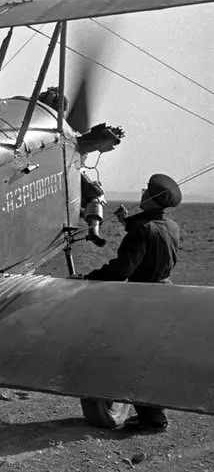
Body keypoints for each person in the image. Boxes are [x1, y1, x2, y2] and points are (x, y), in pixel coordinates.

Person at [86, 173, 182, 432]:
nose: (142, 194)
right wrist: (125, 221)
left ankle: (153, 418)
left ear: (151, 199)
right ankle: (153, 414)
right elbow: (150, 233)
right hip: (166, 294)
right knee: (149, 357)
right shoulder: (171, 226)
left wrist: (88, 279)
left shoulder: (142, 230)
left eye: (146, 192)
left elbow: (122, 270)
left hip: (143, 299)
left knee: (134, 358)